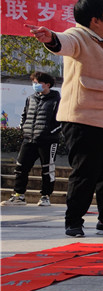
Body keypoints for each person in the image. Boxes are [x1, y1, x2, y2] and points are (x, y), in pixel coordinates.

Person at [26, 0, 103, 237]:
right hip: (84, 119)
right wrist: (51, 38)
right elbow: (62, 42)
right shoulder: (79, 36)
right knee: (85, 172)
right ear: (95, 20)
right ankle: (73, 220)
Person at [6, 72, 61, 207]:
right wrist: (24, 129)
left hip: (48, 141)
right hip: (29, 139)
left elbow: (61, 121)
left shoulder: (57, 100)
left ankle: (45, 196)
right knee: (21, 167)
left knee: (47, 169)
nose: (34, 85)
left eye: (37, 83)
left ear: (47, 85)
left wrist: (49, 133)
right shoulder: (30, 98)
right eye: (34, 82)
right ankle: (19, 196)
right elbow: (24, 115)